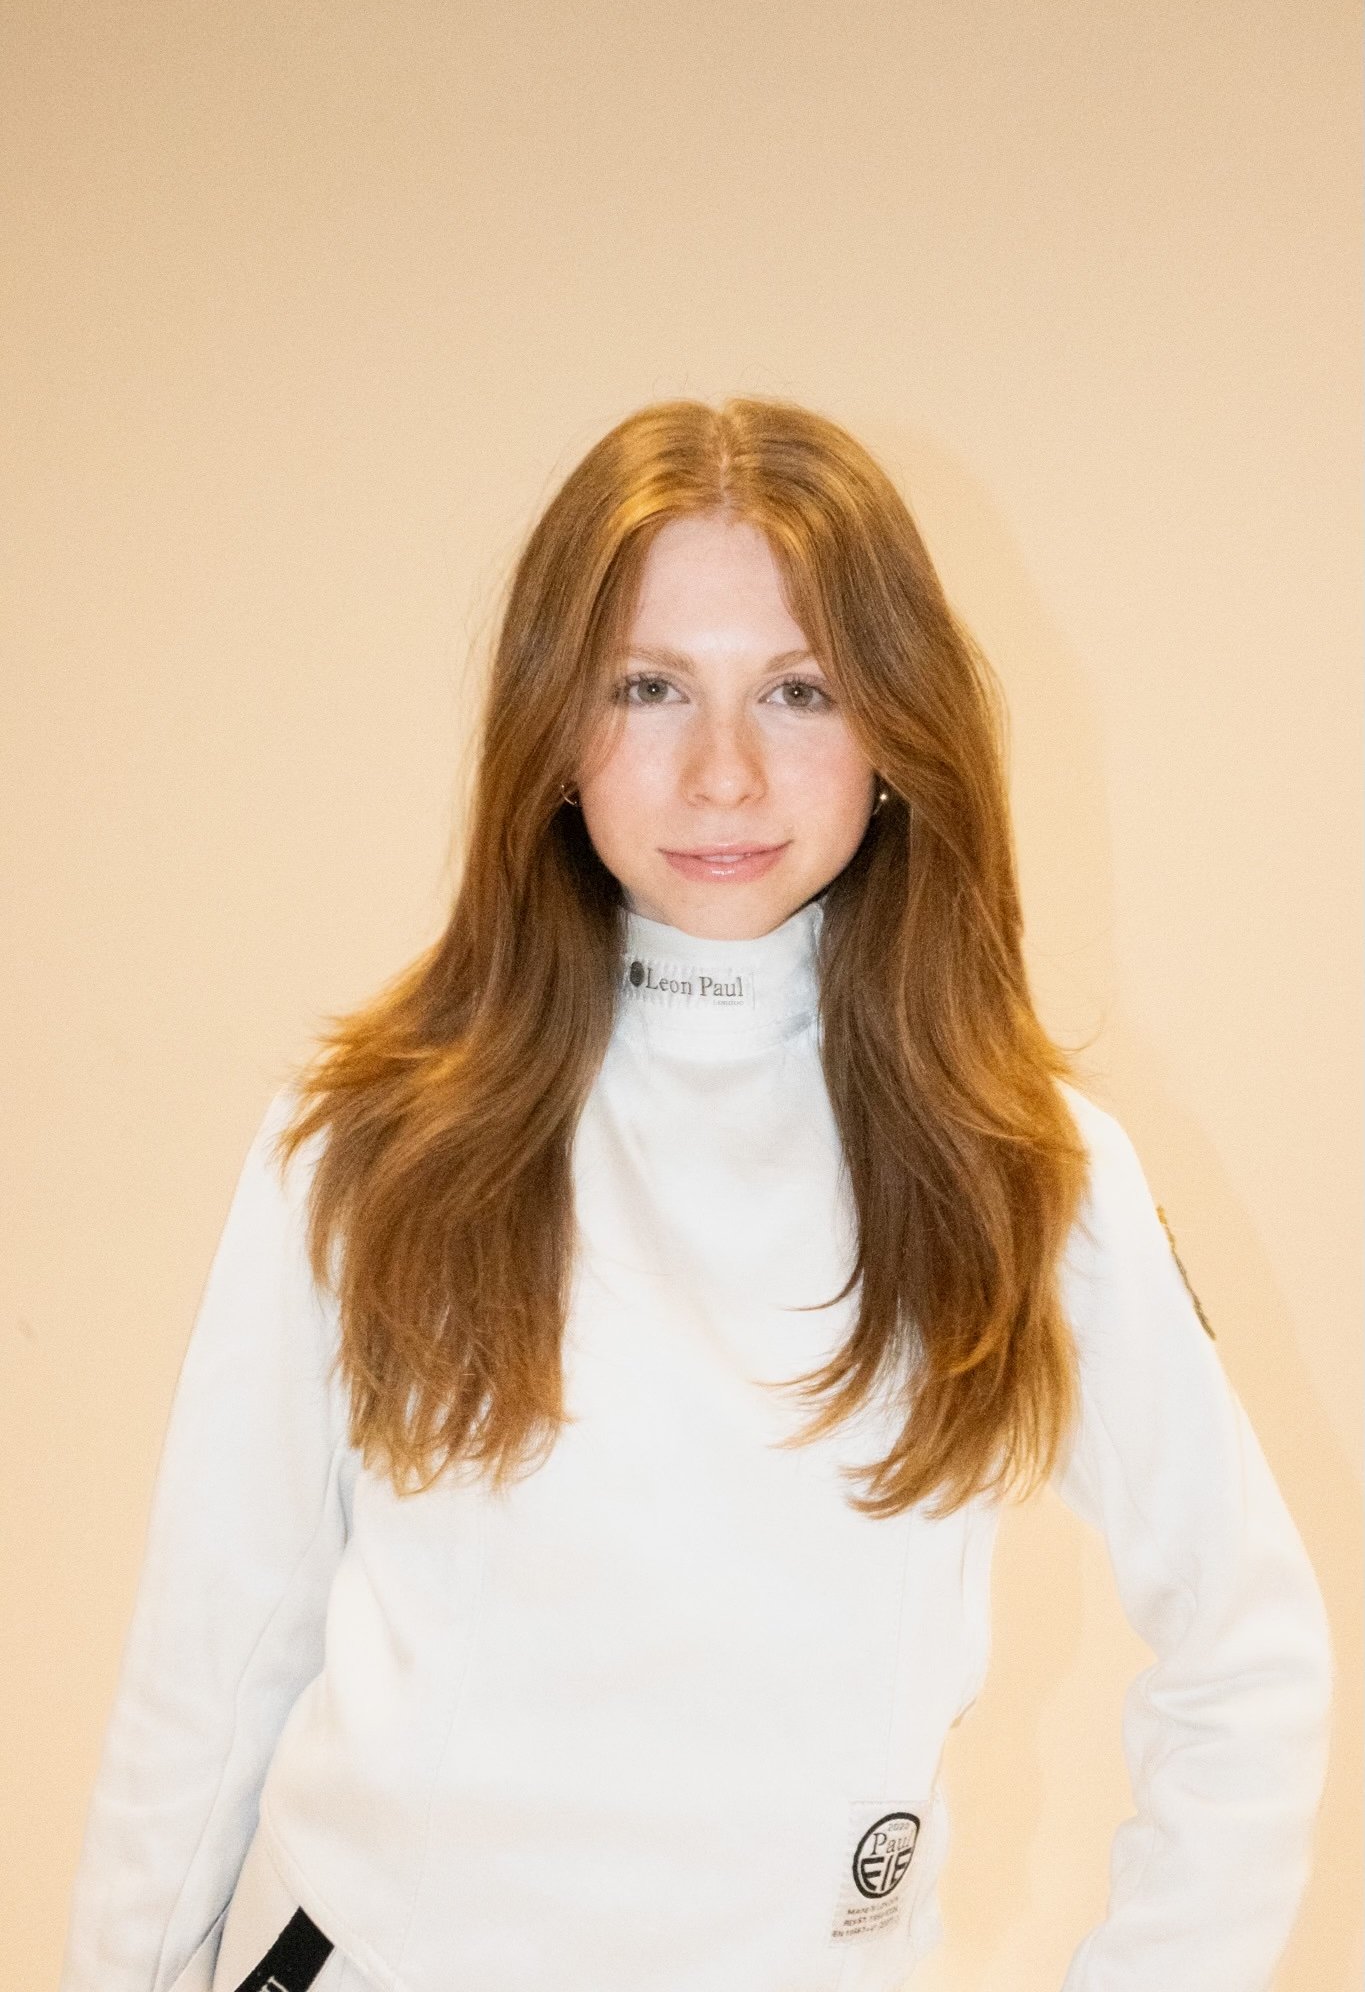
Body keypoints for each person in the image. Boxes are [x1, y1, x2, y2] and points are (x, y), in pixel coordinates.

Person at [57, 397, 1333, 1992]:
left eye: (797, 691)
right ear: (551, 728)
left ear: (894, 731)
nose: (722, 773)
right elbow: (212, 1656)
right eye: (648, 688)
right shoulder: (369, 1138)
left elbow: (1248, 1661)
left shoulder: (1022, 1166)